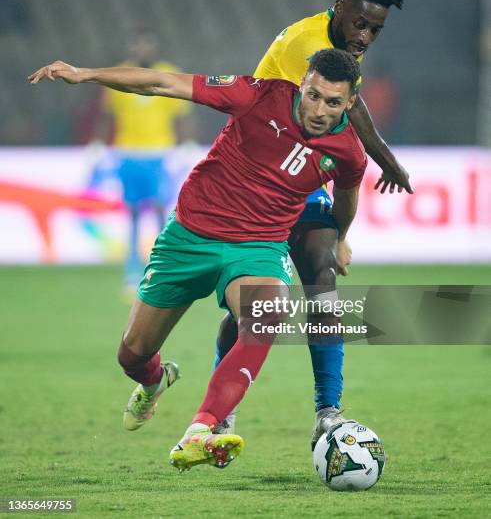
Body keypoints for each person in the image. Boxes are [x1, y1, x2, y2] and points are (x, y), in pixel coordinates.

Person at [29, 48, 367, 471]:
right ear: (303, 84)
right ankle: (156, 380)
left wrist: (341, 238)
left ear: (350, 103)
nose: (318, 110)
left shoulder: (350, 151)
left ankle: (203, 429)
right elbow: (162, 83)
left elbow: (347, 199)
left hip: (258, 246)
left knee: (268, 314)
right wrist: (85, 73)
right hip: (189, 237)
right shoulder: (258, 96)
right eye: (313, 95)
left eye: (333, 102)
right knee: (132, 356)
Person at [211, 0, 409, 448]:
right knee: (252, 311)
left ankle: (328, 410)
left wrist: (342, 235)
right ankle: (219, 412)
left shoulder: (343, 45)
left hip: (300, 178)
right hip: (252, 183)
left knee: (321, 276)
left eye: (375, 30)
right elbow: (354, 109)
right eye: (360, 23)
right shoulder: (309, 44)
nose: (364, 36)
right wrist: (389, 161)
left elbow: (344, 139)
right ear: (339, 8)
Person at [95, 28, 190, 294]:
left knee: (161, 212)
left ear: (154, 47)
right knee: (134, 215)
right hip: (128, 153)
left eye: (147, 45)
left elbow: (180, 115)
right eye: (138, 45)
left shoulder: (169, 74)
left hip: (159, 154)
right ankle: (132, 272)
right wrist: (99, 145)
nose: (143, 50)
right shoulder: (119, 75)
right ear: (132, 48)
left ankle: (161, 269)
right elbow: (107, 114)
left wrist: (185, 146)